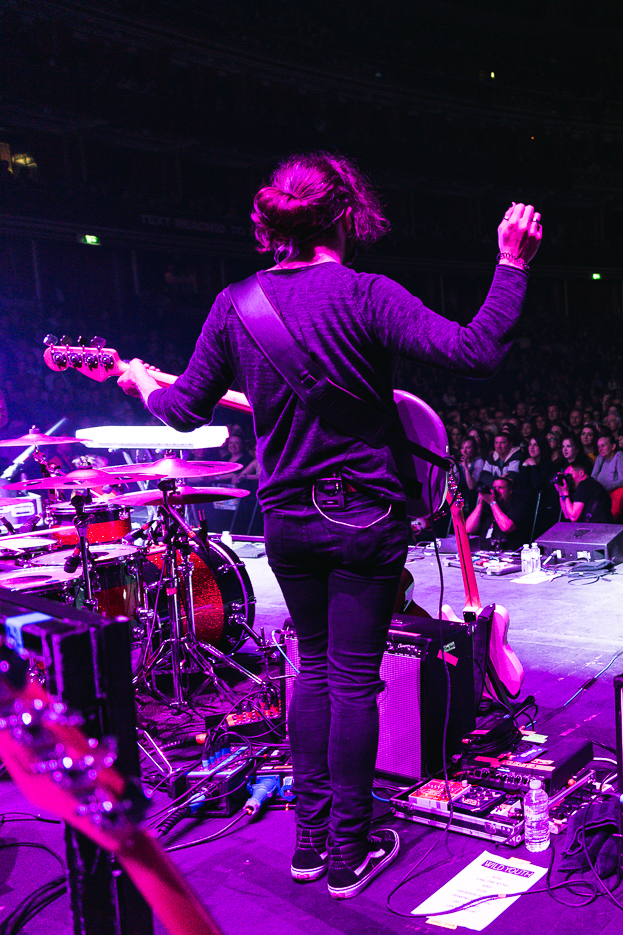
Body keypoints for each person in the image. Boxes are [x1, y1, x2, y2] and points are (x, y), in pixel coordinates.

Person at [117, 152, 541, 900]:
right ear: (345, 214)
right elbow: (475, 350)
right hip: (360, 516)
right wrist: (511, 263)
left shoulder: (233, 303)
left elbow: (182, 410)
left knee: (311, 672)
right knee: (350, 678)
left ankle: (309, 846)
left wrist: (137, 383)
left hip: (283, 521)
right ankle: (347, 851)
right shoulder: (365, 294)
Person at [464, 474, 533, 550]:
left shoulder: (518, 507)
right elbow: (469, 529)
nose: (496, 491)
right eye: (494, 488)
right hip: (484, 554)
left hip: (508, 554)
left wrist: (492, 503)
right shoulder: (487, 507)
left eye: (501, 488)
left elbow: (506, 527)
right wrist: (481, 503)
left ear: (510, 491)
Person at [555, 458, 610, 523]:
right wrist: (561, 492)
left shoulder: (585, 484)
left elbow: (574, 517)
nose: (569, 480)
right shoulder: (589, 484)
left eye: (569, 476)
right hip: (597, 527)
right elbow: (567, 515)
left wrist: (565, 492)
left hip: (598, 528)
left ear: (581, 473)